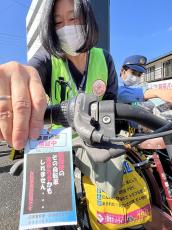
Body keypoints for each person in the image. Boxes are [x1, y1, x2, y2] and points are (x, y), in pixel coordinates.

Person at [0, 0, 117, 150]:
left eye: (73, 18)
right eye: (58, 22)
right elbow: (30, 71)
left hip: (97, 145)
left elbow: (112, 107)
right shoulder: (47, 58)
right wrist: (16, 77)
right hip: (60, 145)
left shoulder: (104, 58)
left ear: (88, 19)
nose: (66, 27)